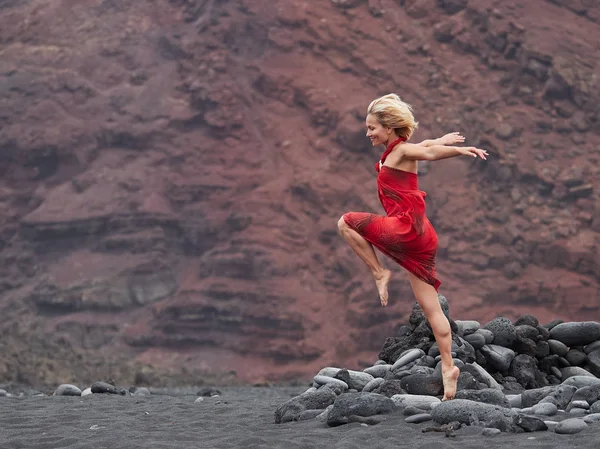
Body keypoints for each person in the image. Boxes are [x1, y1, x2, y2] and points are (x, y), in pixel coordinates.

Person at [337, 93, 488, 401]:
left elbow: (429, 153)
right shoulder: (399, 150)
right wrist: (442, 139)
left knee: (344, 223)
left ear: (389, 128)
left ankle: (379, 273)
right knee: (431, 309)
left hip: (404, 230)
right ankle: (449, 368)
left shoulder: (402, 151)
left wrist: (459, 151)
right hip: (421, 237)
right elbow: (426, 147)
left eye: (372, 128)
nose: (368, 134)